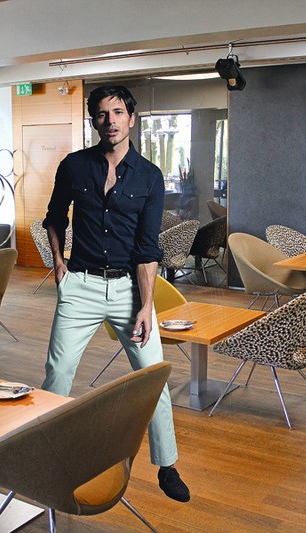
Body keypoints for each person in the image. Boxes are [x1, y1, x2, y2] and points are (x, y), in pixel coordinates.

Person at [42, 85, 190, 502]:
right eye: (103, 113)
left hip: (129, 290)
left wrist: (146, 305)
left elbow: (147, 248)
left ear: (131, 118)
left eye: (118, 112)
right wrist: (58, 264)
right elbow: (54, 218)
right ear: (94, 120)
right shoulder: (74, 166)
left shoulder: (149, 176)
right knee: (57, 374)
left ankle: (167, 466)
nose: (111, 121)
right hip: (80, 285)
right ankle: (45, 456)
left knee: (153, 376)